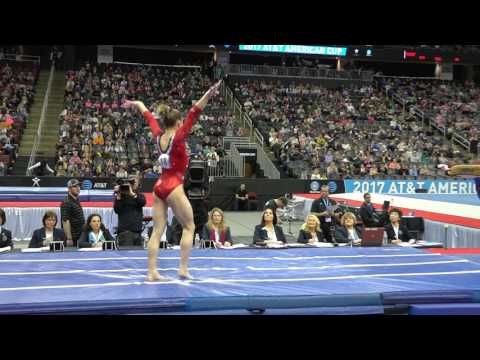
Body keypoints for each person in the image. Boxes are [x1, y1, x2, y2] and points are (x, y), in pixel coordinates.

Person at [123, 80, 222, 281]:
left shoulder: (158, 135)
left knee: (157, 230)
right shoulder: (179, 137)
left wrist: (135, 103)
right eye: (181, 122)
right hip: (174, 186)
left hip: (159, 186)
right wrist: (209, 93)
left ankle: (152, 272)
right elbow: (195, 112)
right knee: (189, 226)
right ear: (178, 123)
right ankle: (183, 269)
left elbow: (146, 113)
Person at [113, 176, 146, 246]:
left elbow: (142, 203)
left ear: (138, 184)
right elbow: (117, 210)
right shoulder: (121, 197)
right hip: (125, 232)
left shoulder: (139, 195)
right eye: (131, 182)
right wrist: (118, 196)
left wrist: (132, 194)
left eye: (134, 182)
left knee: (138, 255)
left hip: (138, 231)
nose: (132, 184)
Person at [60, 179, 85, 247]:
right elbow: (65, 221)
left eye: (79, 186)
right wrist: (69, 238)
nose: (78, 188)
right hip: (73, 238)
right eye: (75, 186)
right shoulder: (67, 202)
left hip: (79, 236)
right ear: (69, 189)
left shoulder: (76, 199)